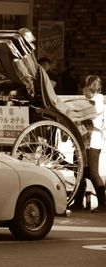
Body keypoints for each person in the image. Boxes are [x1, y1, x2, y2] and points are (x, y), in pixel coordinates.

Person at [70, 75, 106, 213]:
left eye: (85, 88)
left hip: (93, 140)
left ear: (92, 88)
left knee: (92, 173)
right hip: (85, 140)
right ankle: (78, 201)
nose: (83, 91)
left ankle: (102, 203)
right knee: (79, 171)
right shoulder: (90, 100)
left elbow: (92, 120)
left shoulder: (97, 102)